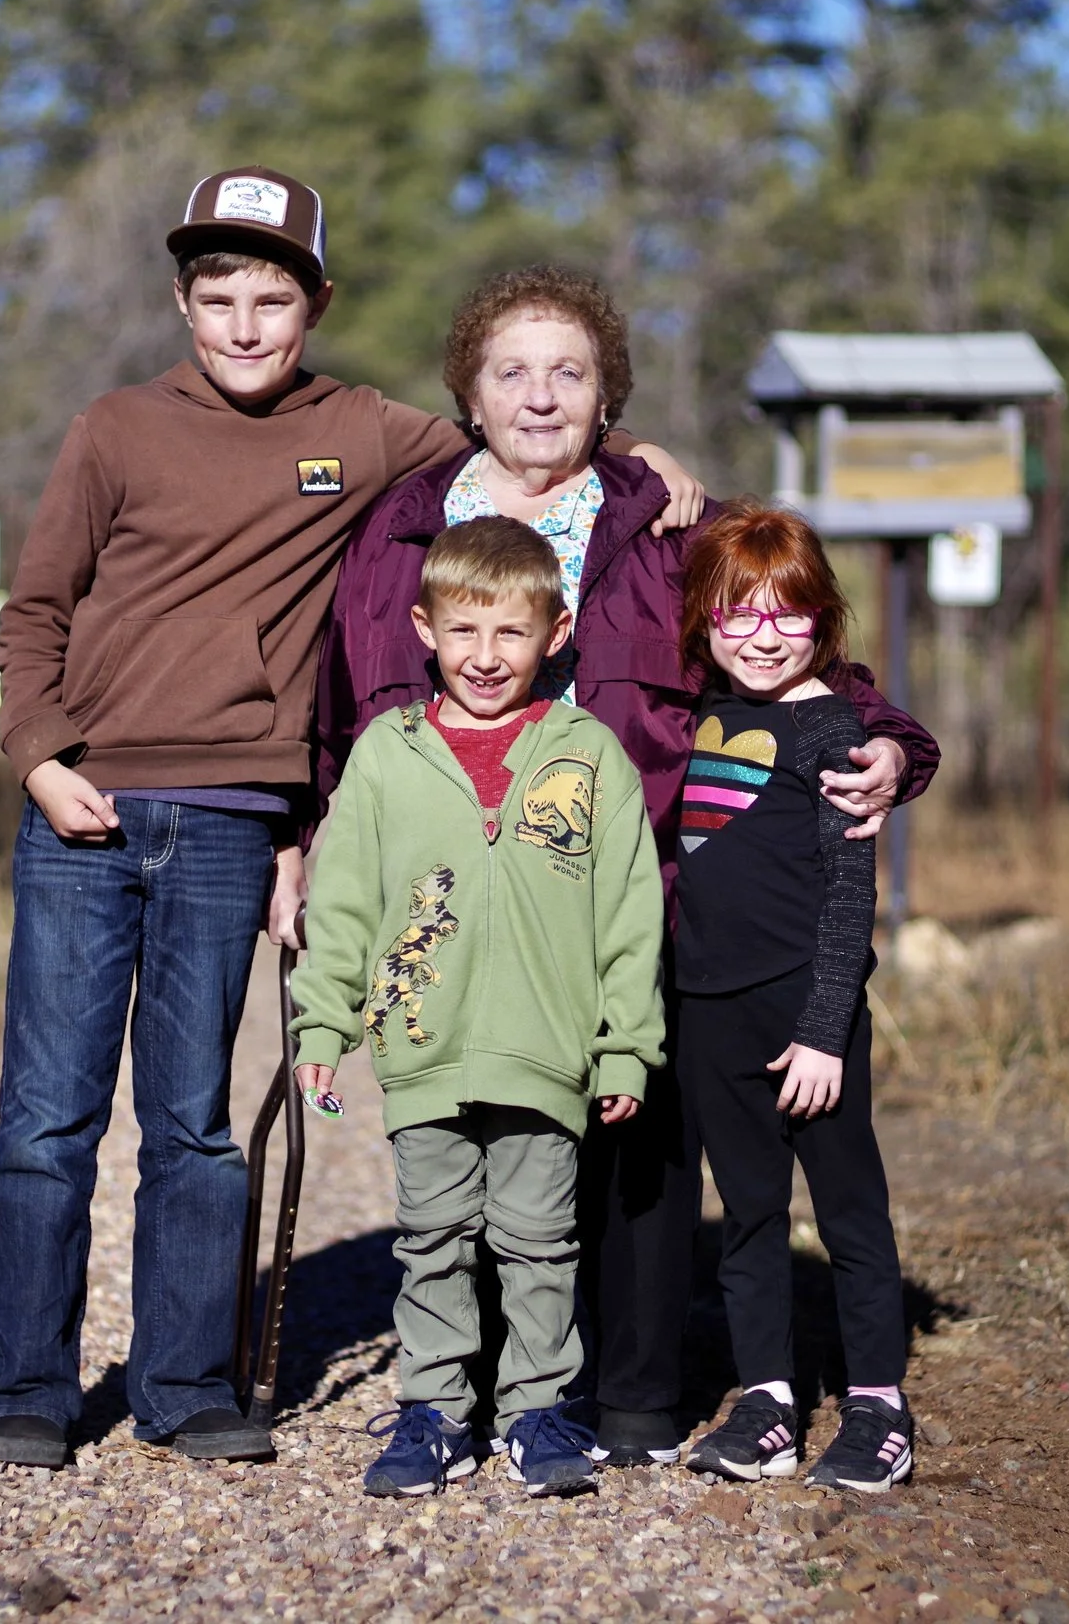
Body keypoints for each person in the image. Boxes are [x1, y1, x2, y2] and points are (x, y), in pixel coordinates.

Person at [0, 170, 703, 1469]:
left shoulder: (366, 435)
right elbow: (36, 609)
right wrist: (37, 755)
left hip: (233, 818)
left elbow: (523, 443)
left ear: (316, 303)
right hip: (84, 808)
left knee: (195, 1123)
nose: (244, 325)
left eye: (271, 298)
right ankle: (28, 1385)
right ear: (184, 303)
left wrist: (645, 458)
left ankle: (188, 1383)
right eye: (217, 299)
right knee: (48, 1120)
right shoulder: (112, 430)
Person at [314, 265, 939, 1468]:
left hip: (635, 884)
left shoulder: (664, 525)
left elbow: (798, 669)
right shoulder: (397, 530)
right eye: (513, 371)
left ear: (608, 397)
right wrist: (312, 849)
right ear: (468, 392)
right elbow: (342, 706)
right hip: (449, 898)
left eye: (571, 372)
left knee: (632, 1135)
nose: (541, 396)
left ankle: (631, 1392)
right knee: (475, 1123)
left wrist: (892, 755)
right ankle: (476, 1387)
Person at [291, 518, 666, 1499]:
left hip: (546, 1051)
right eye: (464, 632)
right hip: (424, 1049)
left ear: (555, 631)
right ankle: (435, 1412)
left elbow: (630, 911)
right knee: (432, 1241)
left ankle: (538, 1411)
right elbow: (343, 907)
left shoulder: (587, 754)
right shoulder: (386, 755)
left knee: (540, 1243)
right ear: (422, 629)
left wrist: (625, 1048)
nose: (486, 656)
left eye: (510, 632)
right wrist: (322, 1027)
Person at [670, 502, 916, 1493]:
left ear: (823, 617)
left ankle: (878, 1412)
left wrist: (821, 1032)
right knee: (747, 1216)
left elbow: (849, 895)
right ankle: (767, 1399)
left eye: (787, 614)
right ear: (704, 621)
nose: (762, 637)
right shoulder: (694, 716)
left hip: (807, 1016)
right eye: (738, 615)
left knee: (850, 1212)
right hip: (706, 1009)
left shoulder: (835, 732)